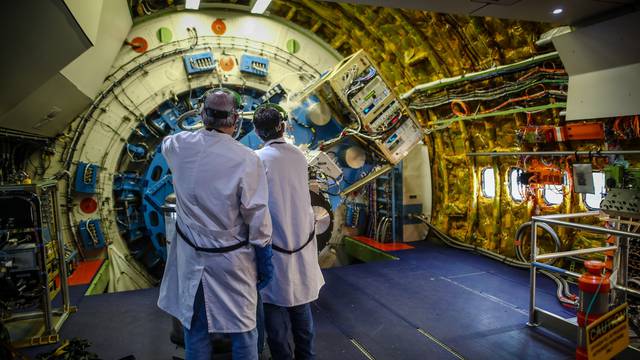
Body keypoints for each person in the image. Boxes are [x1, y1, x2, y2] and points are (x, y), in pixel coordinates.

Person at [157, 89, 274, 360]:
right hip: (232, 262)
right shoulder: (247, 159)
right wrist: (265, 261)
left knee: (195, 327)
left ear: (202, 115)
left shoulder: (178, 146)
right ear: (236, 119)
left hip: (191, 257)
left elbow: (167, 143)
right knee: (244, 330)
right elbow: (257, 217)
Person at [253, 104, 325, 360]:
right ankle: (307, 356)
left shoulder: (257, 159)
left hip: (275, 247)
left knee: (274, 307)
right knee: (300, 304)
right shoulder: (298, 156)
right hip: (302, 244)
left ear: (257, 131)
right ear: (282, 127)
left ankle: (282, 356)